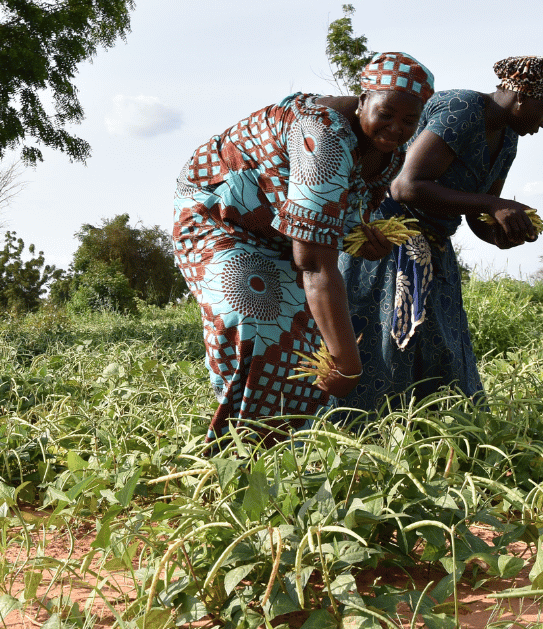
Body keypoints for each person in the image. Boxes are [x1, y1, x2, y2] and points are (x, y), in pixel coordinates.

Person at [173, 51, 436, 443]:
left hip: (280, 234)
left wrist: (360, 237)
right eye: (386, 114)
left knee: (302, 341)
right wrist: (349, 363)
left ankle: (278, 450)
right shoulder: (323, 137)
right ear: (362, 99)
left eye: (409, 121)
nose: (396, 128)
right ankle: (233, 454)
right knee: (254, 315)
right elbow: (313, 262)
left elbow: (334, 216)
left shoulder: (388, 151)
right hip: (220, 217)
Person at [337, 55, 543, 416]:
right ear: (521, 96)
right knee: (392, 342)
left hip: (434, 246)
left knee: (439, 344)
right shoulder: (463, 108)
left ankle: (435, 429)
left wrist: (501, 234)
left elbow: (477, 213)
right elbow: (405, 186)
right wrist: (495, 204)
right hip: (390, 240)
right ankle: (368, 427)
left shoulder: (507, 140)